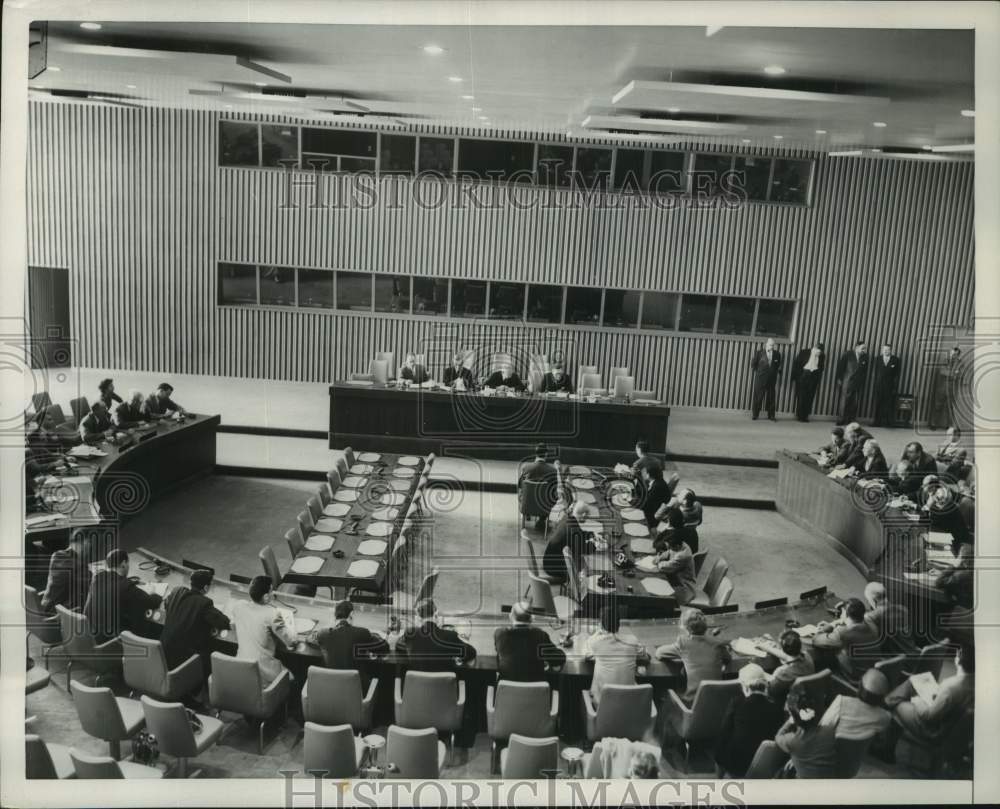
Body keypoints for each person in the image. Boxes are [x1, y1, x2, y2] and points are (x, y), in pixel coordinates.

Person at [885, 644, 974, 742]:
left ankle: (885, 710)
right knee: (913, 681)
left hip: (932, 730)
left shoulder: (951, 687)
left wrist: (917, 699)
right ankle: (887, 702)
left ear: (958, 660)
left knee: (898, 702)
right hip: (948, 722)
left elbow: (928, 717)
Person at [714, 663, 785, 777]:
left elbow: (723, 734)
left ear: (744, 686)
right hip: (767, 764)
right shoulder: (778, 708)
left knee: (721, 745)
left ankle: (719, 781)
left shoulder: (737, 703)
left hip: (738, 765)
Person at [84, 549, 163, 645]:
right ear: (123, 563)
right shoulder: (126, 586)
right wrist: (152, 591)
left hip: (90, 635)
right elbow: (152, 601)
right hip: (111, 642)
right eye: (128, 563)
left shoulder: (97, 578)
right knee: (150, 624)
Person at [159, 569, 231, 673]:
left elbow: (166, 604)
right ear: (206, 588)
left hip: (162, 653)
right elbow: (224, 622)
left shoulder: (176, 591)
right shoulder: (204, 603)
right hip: (182, 661)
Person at [231, 575, 297, 685]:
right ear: (266, 597)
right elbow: (291, 641)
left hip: (241, 665)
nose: (273, 593)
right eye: (272, 591)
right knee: (293, 679)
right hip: (264, 670)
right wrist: (290, 627)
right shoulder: (273, 614)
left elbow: (234, 623)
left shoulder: (239, 606)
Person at [654, 608, 730, 701]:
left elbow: (659, 653)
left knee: (664, 695)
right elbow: (727, 658)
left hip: (693, 703)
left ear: (686, 629)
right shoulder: (718, 643)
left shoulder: (683, 643)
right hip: (718, 702)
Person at [314, 600, 390, 686]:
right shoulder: (362, 633)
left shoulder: (323, 634)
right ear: (351, 614)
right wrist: (374, 635)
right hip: (357, 693)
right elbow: (385, 647)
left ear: (334, 616)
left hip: (328, 690)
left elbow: (311, 638)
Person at [775, 681, 839, 778]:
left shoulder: (792, 740)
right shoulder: (830, 730)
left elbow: (778, 736)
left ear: (794, 717)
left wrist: (790, 721)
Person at [584, 607, 647, 705]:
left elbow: (587, 655)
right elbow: (644, 654)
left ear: (601, 624)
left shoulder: (595, 642)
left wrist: (598, 632)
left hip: (602, 708)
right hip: (629, 708)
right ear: (619, 624)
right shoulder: (632, 640)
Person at [394, 598, 477, 671]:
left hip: (417, 687)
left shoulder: (410, 633)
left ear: (418, 617)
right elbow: (471, 652)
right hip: (443, 687)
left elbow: (399, 646)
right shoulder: (450, 636)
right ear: (436, 615)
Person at [493, 601, 566, 681]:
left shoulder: (499, 634)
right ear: (532, 618)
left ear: (510, 616)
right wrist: (561, 644)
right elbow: (559, 659)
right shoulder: (540, 635)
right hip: (536, 691)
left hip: (506, 691)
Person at [812, 597, 881, 682]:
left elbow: (816, 640)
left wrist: (829, 626)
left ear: (845, 614)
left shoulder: (843, 633)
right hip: (874, 670)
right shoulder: (870, 622)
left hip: (858, 677)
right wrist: (840, 622)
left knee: (828, 653)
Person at [819, 668, 891, 740]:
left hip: (831, 747)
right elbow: (881, 740)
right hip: (862, 750)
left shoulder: (841, 701)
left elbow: (823, 727)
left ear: (860, 687)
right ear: (882, 697)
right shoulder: (886, 717)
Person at [40, 529, 91, 613]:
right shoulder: (73, 562)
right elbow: (89, 582)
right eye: (88, 543)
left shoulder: (57, 555)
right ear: (83, 543)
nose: (89, 548)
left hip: (48, 604)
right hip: (56, 611)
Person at [542, 500, 591, 581]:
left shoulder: (567, 518)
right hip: (554, 569)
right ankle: (581, 591)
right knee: (587, 570)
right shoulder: (575, 531)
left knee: (581, 562)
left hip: (548, 562)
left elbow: (579, 535)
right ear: (584, 515)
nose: (588, 518)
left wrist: (589, 535)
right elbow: (585, 550)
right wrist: (596, 544)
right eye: (588, 516)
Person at [651, 528, 697, 605]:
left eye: (671, 547)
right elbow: (669, 552)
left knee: (659, 596)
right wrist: (659, 557)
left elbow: (666, 567)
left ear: (677, 546)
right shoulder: (681, 544)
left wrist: (658, 563)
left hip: (684, 586)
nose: (669, 548)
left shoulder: (683, 555)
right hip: (676, 579)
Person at [768, 629, 815, 702]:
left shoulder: (785, 673)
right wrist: (767, 647)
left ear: (782, 649)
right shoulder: (807, 655)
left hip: (789, 702)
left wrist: (774, 675)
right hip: (806, 694)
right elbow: (790, 657)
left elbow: (770, 689)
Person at [519, 444, 559, 530]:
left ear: (535, 454)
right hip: (543, 508)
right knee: (553, 494)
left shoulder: (525, 467)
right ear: (546, 454)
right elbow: (554, 492)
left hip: (526, 504)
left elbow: (520, 486)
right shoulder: (552, 471)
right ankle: (542, 519)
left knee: (524, 490)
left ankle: (528, 513)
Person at [835, 340, 870, 425]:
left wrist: (862, 381)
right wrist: (839, 378)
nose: (864, 350)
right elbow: (840, 367)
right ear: (856, 347)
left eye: (865, 349)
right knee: (845, 401)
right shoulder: (847, 354)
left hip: (857, 383)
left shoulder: (865, 357)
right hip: (847, 381)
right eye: (862, 348)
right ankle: (841, 419)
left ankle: (851, 420)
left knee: (855, 403)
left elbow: (865, 371)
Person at [928, 346, 961, 431]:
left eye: (955, 354)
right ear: (950, 353)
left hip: (952, 389)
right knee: (937, 406)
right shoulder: (944, 361)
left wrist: (952, 373)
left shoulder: (960, 363)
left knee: (949, 408)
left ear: (958, 355)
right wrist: (953, 373)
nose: (953, 355)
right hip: (941, 388)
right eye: (952, 353)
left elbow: (959, 375)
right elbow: (942, 371)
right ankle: (933, 424)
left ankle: (948, 426)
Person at [791, 341, 825, 422]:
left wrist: (817, 376)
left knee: (810, 398)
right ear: (814, 348)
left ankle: (805, 416)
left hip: (813, 377)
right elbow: (796, 364)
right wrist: (795, 378)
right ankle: (800, 416)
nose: (819, 353)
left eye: (820, 352)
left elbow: (821, 367)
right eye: (818, 351)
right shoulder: (804, 352)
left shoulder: (822, 356)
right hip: (803, 376)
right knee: (801, 397)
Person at [750, 337, 782, 421]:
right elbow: (753, 364)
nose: (771, 347)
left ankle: (771, 416)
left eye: (772, 345)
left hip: (771, 380)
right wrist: (760, 372)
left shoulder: (777, 354)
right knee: (758, 397)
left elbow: (778, 366)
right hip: (760, 379)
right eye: (770, 345)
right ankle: (755, 414)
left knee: (771, 397)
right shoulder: (759, 353)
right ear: (766, 344)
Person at [872, 344, 902, 427]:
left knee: (889, 405)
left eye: (887, 349)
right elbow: (875, 373)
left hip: (890, 386)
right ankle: (877, 422)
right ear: (882, 350)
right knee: (878, 404)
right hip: (879, 385)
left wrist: (894, 387)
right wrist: (876, 385)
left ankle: (889, 423)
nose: (885, 351)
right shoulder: (877, 359)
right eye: (884, 349)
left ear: (891, 350)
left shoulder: (896, 360)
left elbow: (897, 374)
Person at [637, 466, 673, 530]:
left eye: (645, 473)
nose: (644, 474)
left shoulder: (657, 486)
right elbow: (647, 493)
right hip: (654, 508)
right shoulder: (658, 481)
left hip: (651, 515)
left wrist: (631, 500)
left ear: (649, 474)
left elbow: (646, 504)